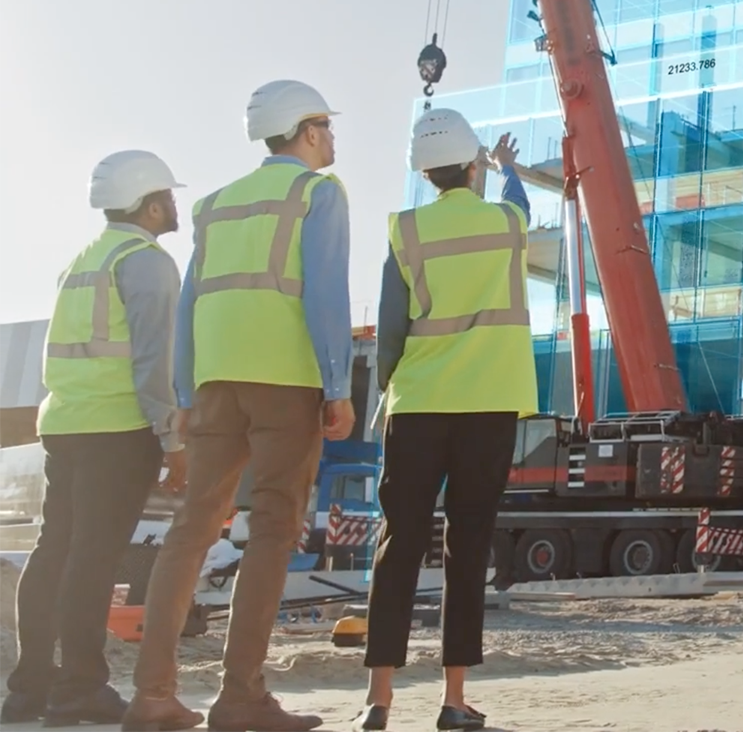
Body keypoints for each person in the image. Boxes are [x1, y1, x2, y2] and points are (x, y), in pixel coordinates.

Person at [122, 81, 356, 732]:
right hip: (284, 383)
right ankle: (240, 696)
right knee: (275, 530)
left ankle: (152, 695)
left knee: (192, 531)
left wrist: (189, 395)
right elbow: (326, 297)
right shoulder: (318, 194)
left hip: (218, 384)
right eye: (328, 127)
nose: (333, 139)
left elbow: (192, 304)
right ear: (306, 132)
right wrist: (337, 389)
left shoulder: (217, 204)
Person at [349, 109, 535, 732]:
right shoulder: (505, 222)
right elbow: (519, 203)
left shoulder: (405, 230)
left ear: (424, 172)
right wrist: (507, 169)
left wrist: (388, 391)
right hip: (488, 402)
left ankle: (378, 700)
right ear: (473, 164)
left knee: (398, 542)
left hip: (419, 402)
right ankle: (454, 700)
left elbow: (393, 327)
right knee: (468, 543)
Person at [3, 152, 189, 727]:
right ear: (153, 203)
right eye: (169, 196)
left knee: (52, 550)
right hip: (117, 428)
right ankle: (81, 687)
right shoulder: (147, 262)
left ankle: (30, 688)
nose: (175, 205)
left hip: (64, 423)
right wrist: (172, 437)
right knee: (94, 557)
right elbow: (154, 361)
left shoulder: (81, 262)